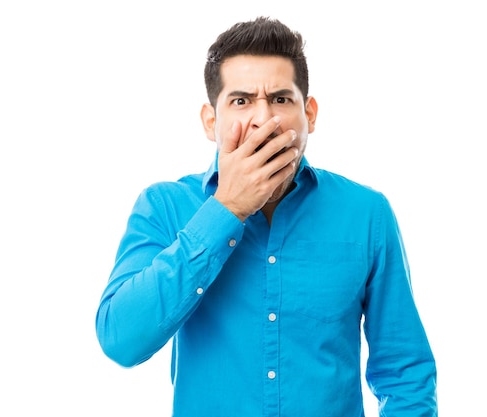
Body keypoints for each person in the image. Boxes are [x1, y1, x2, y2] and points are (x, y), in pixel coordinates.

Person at [95, 16, 437, 416]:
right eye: (241, 101)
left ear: (309, 113)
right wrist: (226, 210)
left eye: (280, 99)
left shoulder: (367, 214)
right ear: (211, 121)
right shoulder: (164, 207)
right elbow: (122, 339)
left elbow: (405, 373)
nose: (264, 119)